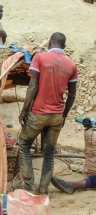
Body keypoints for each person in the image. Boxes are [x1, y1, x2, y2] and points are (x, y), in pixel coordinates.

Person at [18, 32, 77, 194]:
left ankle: (29, 186)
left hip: (38, 113)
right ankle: (43, 189)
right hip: (57, 115)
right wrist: (64, 115)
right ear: (64, 46)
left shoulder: (40, 58)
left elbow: (33, 86)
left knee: (23, 144)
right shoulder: (71, 65)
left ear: (50, 43)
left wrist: (24, 111)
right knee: (49, 153)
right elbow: (72, 95)